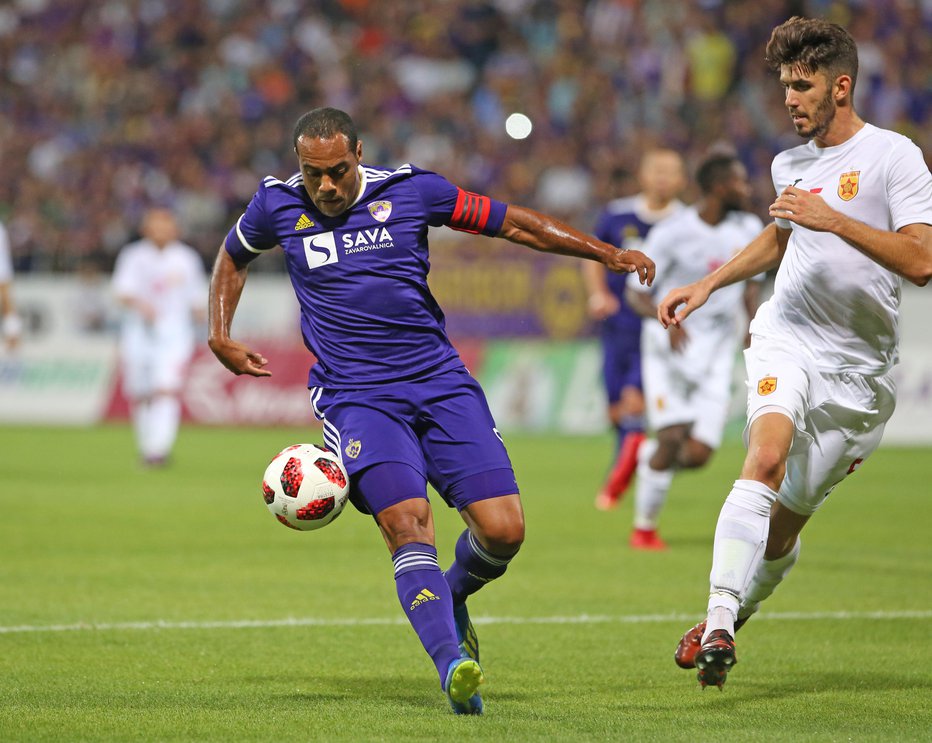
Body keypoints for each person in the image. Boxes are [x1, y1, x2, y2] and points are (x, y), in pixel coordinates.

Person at [207, 107, 654, 715]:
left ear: (359, 153)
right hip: (356, 396)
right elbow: (233, 257)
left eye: (337, 171)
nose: (327, 187)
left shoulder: (411, 191)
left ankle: (449, 597)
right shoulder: (275, 204)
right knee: (408, 522)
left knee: (503, 531)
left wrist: (604, 253)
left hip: (439, 382)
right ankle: (453, 666)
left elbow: (511, 224)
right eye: (314, 176)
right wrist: (220, 333)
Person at [659, 17, 932, 689]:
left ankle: (733, 616)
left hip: (859, 375)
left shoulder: (894, 156)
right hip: (787, 334)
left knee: (782, 531)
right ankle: (718, 614)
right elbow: (778, 240)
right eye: (785, 85)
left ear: (841, 87)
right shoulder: (789, 162)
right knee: (766, 453)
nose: (789, 99)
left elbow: (922, 260)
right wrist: (707, 282)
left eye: (802, 85)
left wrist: (834, 218)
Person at [625, 152, 763, 550]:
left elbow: (750, 283)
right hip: (669, 346)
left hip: (717, 353)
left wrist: (753, 322)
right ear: (719, 188)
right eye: (739, 181)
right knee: (671, 437)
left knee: (700, 454)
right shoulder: (673, 232)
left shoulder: (748, 227)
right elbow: (636, 294)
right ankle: (644, 529)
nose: (746, 188)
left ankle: (646, 455)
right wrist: (661, 319)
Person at [583, 150, 686, 512]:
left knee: (634, 406)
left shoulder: (687, 223)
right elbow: (594, 257)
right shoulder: (617, 214)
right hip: (617, 328)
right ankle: (629, 467)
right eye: (656, 169)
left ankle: (615, 486)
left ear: (681, 179)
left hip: (655, 329)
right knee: (616, 411)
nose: (662, 177)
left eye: (670, 171)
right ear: (643, 175)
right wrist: (598, 295)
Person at [112, 208, 207, 467]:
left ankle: (158, 450)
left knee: (166, 389)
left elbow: (197, 299)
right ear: (145, 229)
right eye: (155, 226)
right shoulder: (133, 255)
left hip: (175, 334)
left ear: (174, 229)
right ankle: (147, 446)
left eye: (165, 225)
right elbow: (121, 291)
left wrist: (204, 323)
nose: (161, 231)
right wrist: (141, 305)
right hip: (138, 332)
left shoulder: (186, 258)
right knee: (141, 393)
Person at [0, 219, 23, 352]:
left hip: (2, 268)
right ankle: (13, 336)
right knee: (7, 303)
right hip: (3, 268)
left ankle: (13, 337)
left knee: (7, 304)